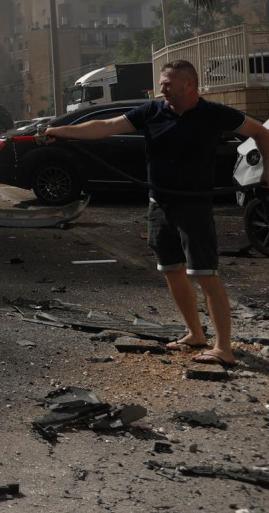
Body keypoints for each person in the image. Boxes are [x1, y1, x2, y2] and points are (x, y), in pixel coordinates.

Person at [42, 60, 269, 368]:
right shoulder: (151, 111)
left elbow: (260, 133)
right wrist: (61, 131)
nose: (161, 87)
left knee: (205, 275)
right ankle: (195, 334)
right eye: (161, 82)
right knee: (171, 269)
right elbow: (106, 126)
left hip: (195, 206)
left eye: (167, 83)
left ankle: (223, 348)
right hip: (159, 204)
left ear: (189, 84)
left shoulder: (215, 114)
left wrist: (267, 170)